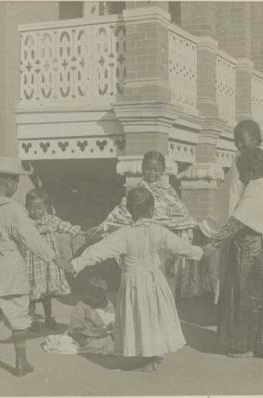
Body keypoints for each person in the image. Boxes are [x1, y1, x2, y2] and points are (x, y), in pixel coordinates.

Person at [0, 154, 73, 378]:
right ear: (10, 183)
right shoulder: (14, 209)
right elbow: (31, 238)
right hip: (11, 266)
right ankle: (20, 363)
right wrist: (55, 258)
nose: (17, 186)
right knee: (17, 314)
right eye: (17, 182)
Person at [73, 187, 203, 371]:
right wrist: (202, 252)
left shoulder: (123, 234)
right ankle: (152, 354)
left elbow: (98, 250)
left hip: (134, 282)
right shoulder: (159, 231)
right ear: (151, 209)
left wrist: (76, 264)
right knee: (152, 316)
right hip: (154, 281)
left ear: (130, 211)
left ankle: (148, 357)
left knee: (139, 316)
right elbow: (182, 247)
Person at [200, 147, 263, 358]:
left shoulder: (255, 189)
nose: (241, 178)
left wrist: (213, 244)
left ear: (251, 172)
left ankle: (241, 344)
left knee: (242, 294)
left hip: (248, 250)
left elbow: (236, 222)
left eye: (242, 173)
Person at [87, 151, 205, 298]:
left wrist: (190, 227)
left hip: (165, 243)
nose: (151, 172)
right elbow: (122, 211)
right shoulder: (137, 190)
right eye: (148, 168)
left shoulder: (169, 191)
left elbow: (181, 214)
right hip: (144, 242)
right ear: (142, 168)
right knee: (146, 282)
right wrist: (103, 226)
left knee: (165, 284)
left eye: (156, 169)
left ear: (162, 171)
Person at [210, 119, 263, 304]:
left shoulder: (258, 162)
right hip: (242, 239)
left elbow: (241, 215)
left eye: (242, 140)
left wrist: (213, 242)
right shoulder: (243, 158)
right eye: (235, 140)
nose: (238, 144)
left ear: (256, 140)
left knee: (248, 291)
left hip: (252, 241)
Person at [25, 188, 83, 332]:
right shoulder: (25, 222)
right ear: (27, 207)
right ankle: (29, 319)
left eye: (39, 208)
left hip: (49, 263)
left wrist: (79, 232)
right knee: (31, 293)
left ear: (46, 207)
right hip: (32, 263)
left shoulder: (51, 219)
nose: (36, 211)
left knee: (47, 293)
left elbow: (65, 226)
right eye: (32, 208)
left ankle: (48, 318)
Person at [68, 283, 115, 354]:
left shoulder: (108, 304)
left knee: (110, 345)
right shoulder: (82, 304)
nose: (95, 305)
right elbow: (76, 321)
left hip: (102, 333)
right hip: (85, 333)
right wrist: (79, 332)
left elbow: (112, 320)